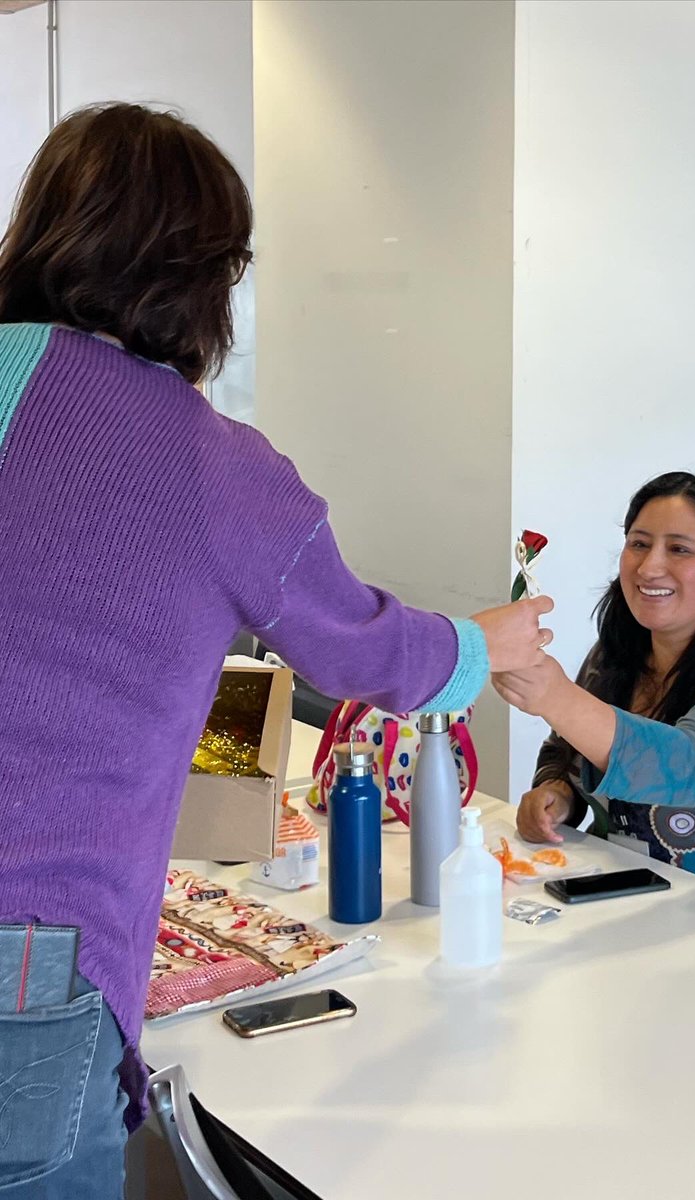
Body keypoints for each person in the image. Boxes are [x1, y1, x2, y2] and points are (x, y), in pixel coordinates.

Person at [0, 103, 552, 1199]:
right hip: (31, 950)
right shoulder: (211, 464)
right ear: (205, 275)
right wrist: (478, 647)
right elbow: (364, 650)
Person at [494, 471, 695, 917]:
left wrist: (554, 695)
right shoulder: (614, 657)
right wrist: (558, 794)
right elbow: (567, 748)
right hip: (631, 909)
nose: (649, 567)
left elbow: (688, 767)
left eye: (680, 549)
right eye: (639, 544)